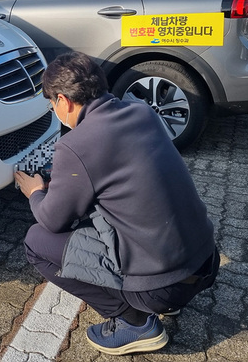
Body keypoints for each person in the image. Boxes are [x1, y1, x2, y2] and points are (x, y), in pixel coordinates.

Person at [15, 51, 219, 356]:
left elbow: (53, 219)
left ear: (64, 101)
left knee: (36, 242)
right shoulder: (143, 113)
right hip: (205, 262)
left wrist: (35, 192)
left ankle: (133, 321)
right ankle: (166, 299)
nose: (54, 110)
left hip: (162, 289)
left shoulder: (74, 145)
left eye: (51, 104)